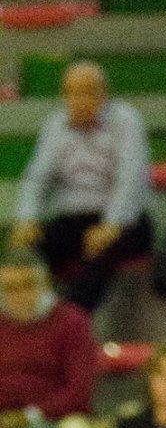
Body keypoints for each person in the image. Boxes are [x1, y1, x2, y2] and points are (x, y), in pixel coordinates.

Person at [10, 61, 154, 313]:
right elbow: (36, 177)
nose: (80, 99)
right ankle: (27, 320)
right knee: (25, 252)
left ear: (103, 93)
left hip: (126, 222)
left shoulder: (126, 121)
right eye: (72, 92)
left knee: (101, 255)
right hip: (74, 219)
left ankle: (70, 323)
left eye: (88, 91)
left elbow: (129, 179)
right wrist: (26, 219)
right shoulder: (55, 125)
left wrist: (111, 225)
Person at [0, 245, 99, 428]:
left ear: (46, 284)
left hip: (53, 420)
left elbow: (78, 393)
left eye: (28, 285)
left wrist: (28, 417)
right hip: (5, 416)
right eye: (10, 288)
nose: (19, 295)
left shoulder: (73, 323)